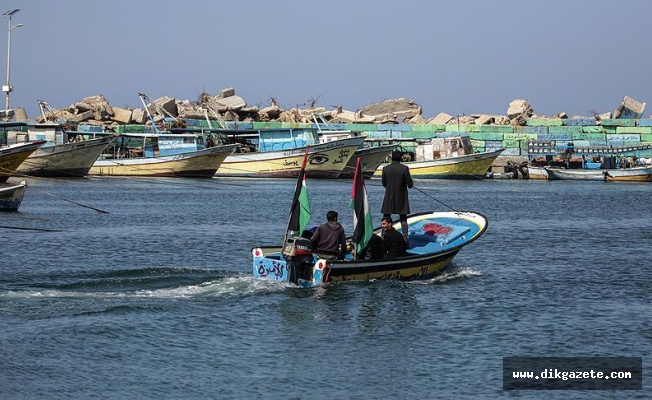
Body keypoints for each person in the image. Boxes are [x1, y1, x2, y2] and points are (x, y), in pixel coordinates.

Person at [381, 150, 414, 243]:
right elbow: (410, 184)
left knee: (386, 217)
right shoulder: (404, 168)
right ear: (400, 158)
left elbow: (384, 183)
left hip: (389, 196)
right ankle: (405, 239)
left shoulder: (385, 169)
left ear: (392, 158)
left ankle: (383, 237)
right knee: (403, 218)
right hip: (401, 197)